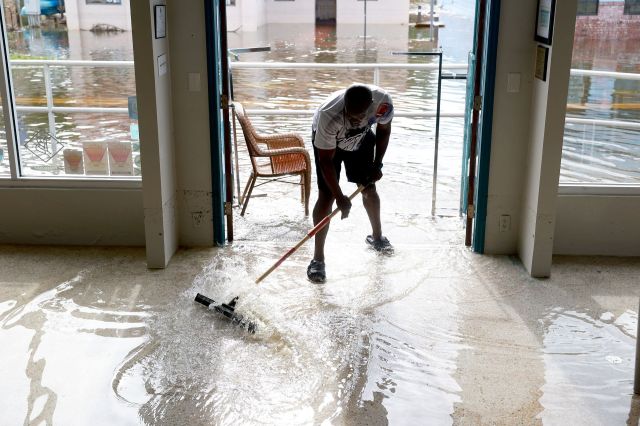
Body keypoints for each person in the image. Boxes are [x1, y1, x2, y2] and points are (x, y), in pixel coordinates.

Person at [307, 83, 394, 283]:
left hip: (361, 138)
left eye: (358, 116)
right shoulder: (328, 116)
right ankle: (318, 259)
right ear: (344, 105)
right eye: (350, 115)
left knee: (369, 187)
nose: (354, 119)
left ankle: (377, 238)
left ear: (371, 105)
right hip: (329, 145)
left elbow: (384, 131)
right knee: (326, 196)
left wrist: (377, 165)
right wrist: (339, 197)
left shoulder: (383, 104)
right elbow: (325, 162)